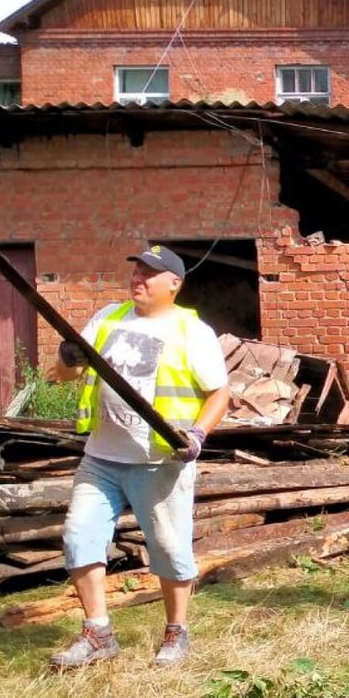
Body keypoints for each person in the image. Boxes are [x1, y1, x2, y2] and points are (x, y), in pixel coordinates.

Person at [50, 246, 231, 669]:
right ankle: (98, 633)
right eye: (136, 271)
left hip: (159, 462)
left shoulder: (191, 331)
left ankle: (176, 630)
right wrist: (67, 358)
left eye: (150, 274)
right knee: (79, 537)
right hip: (102, 457)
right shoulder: (108, 318)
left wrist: (199, 434)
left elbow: (219, 393)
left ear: (174, 284)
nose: (139, 280)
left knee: (168, 548)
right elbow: (65, 375)